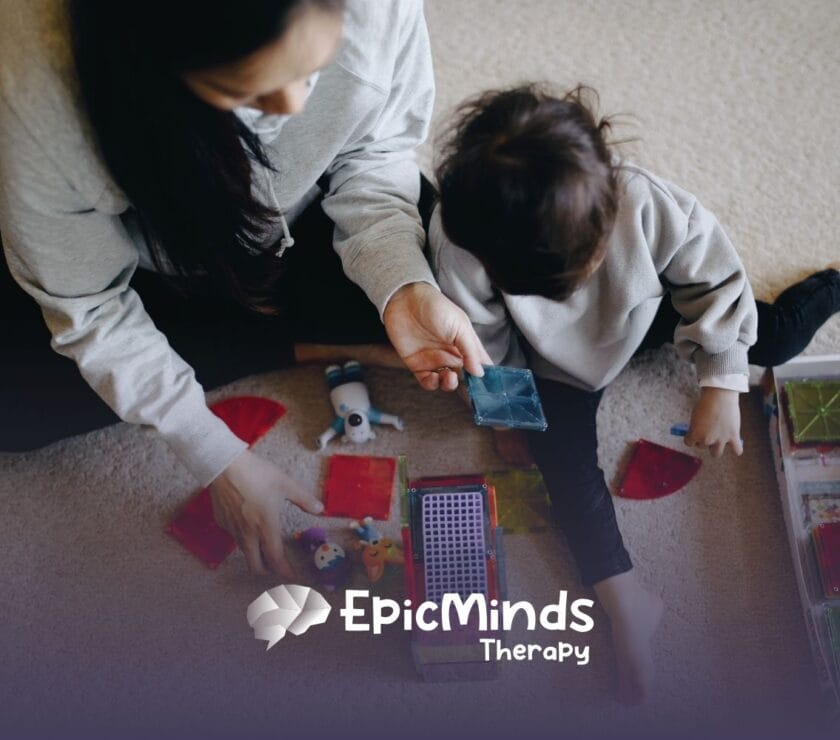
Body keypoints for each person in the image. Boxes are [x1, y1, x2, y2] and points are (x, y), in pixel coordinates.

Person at [0, 0, 490, 579]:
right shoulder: (38, 93)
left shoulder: (379, 10)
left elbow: (377, 153)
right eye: (249, 95)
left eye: (315, 69)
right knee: (15, 405)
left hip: (304, 222)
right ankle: (305, 343)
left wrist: (400, 284)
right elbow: (89, 305)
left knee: (475, 279)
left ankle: (279, 339)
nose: (297, 107)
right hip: (153, 262)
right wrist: (214, 455)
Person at [429, 84, 840, 704]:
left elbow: (715, 282)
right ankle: (625, 598)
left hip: (648, 309)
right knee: (563, 471)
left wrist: (721, 380)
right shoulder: (462, 243)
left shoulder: (645, 200)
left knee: (774, 340)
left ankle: (832, 284)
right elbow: (483, 345)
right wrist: (506, 416)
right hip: (553, 363)